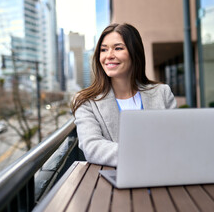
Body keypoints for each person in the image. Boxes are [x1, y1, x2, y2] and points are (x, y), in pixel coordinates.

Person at [71, 23, 177, 167]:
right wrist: (144, 154)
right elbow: (92, 147)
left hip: (162, 175)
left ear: (135, 52)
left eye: (118, 48)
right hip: (113, 182)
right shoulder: (86, 101)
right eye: (103, 50)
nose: (109, 56)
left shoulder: (162, 93)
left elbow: (175, 139)